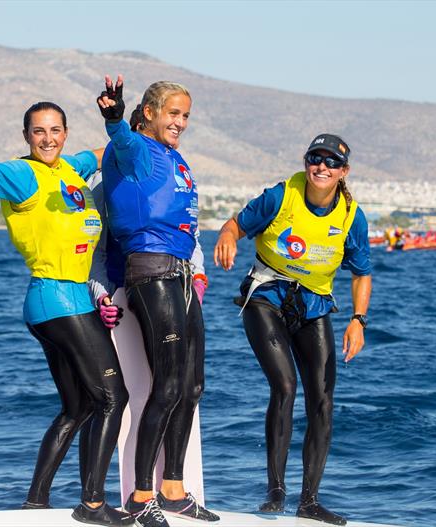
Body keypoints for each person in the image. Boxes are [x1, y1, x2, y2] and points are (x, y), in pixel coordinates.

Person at [0, 92, 133, 527]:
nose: (47, 138)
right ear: (26, 136)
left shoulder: (72, 168)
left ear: (65, 133)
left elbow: (105, 151)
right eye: (38, 131)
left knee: (78, 408)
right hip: (58, 300)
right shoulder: (23, 175)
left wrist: (130, 124)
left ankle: (36, 502)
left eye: (55, 130)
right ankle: (93, 504)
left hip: (62, 303)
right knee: (114, 397)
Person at [214, 134, 372, 526]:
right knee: (284, 386)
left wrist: (358, 320)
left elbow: (362, 273)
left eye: (331, 162)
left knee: (322, 401)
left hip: (314, 305)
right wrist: (227, 238)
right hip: (265, 296)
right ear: (306, 163)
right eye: (314, 159)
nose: (321, 167)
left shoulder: (352, 215)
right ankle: (275, 491)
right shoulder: (281, 196)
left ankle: (310, 501)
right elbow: (235, 224)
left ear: (343, 172)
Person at [96, 76, 218, 527]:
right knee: (165, 386)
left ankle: (173, 489)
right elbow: (122, 140)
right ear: (149, 112)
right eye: (173, 113)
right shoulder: (135, 150)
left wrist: (199, 275)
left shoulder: (175, 157)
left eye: (185, 115)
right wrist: (113, 117)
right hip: (151, 273)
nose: (181, 122)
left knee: (192, 387)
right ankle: (139, 496)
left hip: (183, 277)